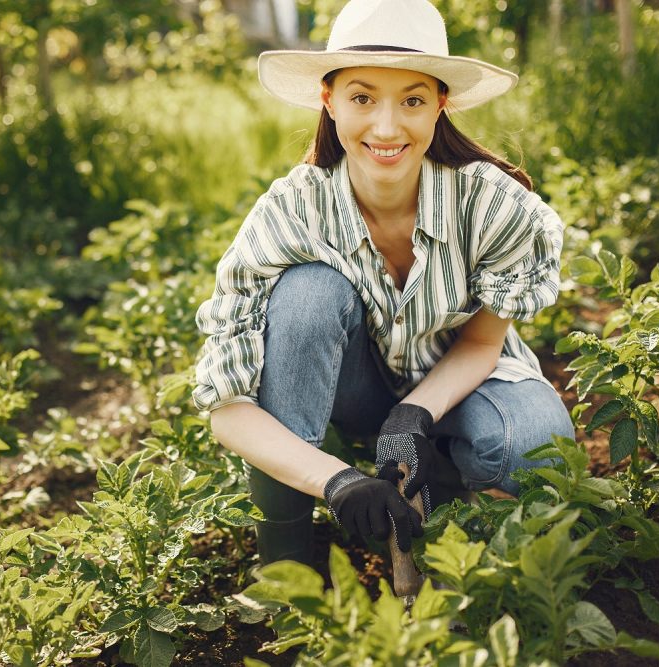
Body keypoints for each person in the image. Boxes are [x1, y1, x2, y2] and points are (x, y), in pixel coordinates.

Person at [192, 0, 574, 566]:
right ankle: (286, 560)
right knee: (307, 293)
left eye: (413, 100)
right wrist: (337, 481)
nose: (388, 127)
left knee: (539, 441)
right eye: (363, 98)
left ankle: (455, 490)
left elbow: (481, 344)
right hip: (353, 396)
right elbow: (226, 405)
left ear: (440, 105)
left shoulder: (491, 204)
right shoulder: (293, 211)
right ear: (329, 100)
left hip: (460, 389)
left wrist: (414, 413)